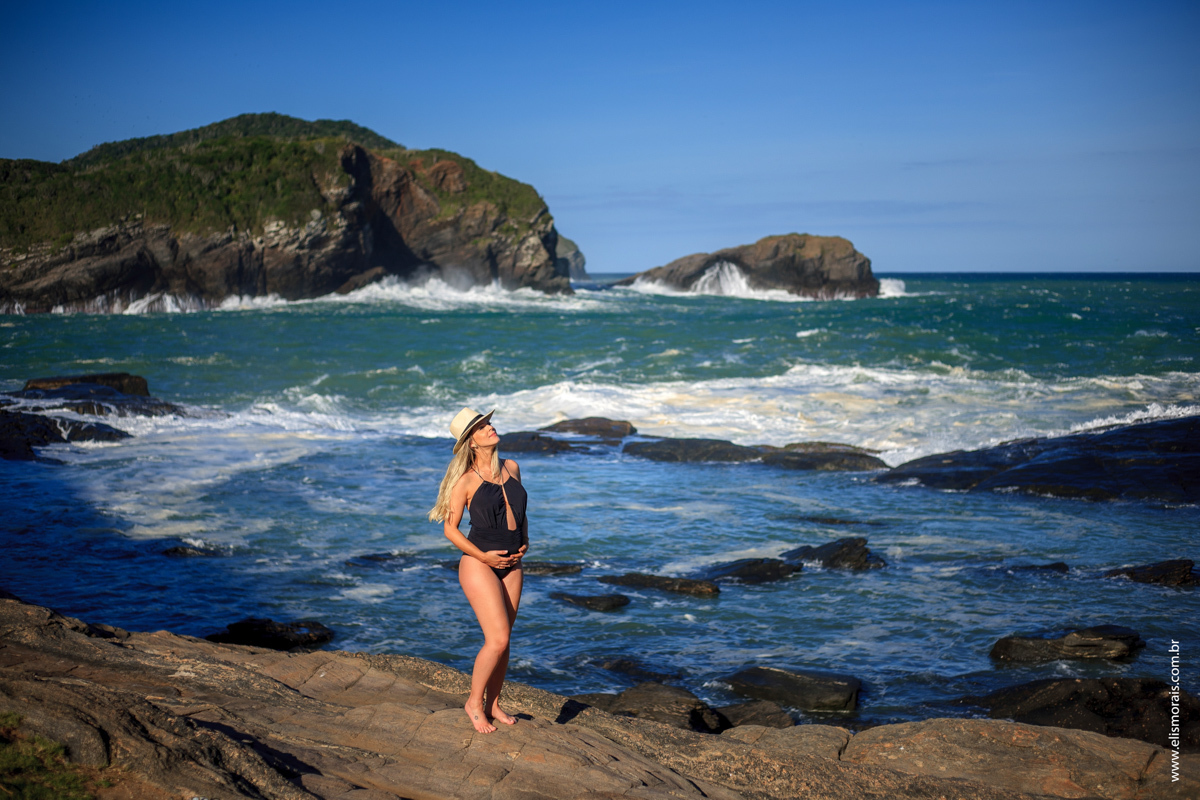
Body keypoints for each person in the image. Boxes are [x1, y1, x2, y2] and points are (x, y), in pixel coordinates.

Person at [428, 407, 528, 733]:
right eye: (482, 427)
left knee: (506, 639)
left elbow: (520, 510)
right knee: (496, 639)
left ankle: (493, 703)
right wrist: (484, 557)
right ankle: (473, 702)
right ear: (471, 441)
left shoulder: (511, 467)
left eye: (488, 423)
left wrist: (525, 540)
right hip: (479, 564)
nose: (490, 428)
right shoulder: (466, 480)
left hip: (512, 562)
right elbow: (451, 529)